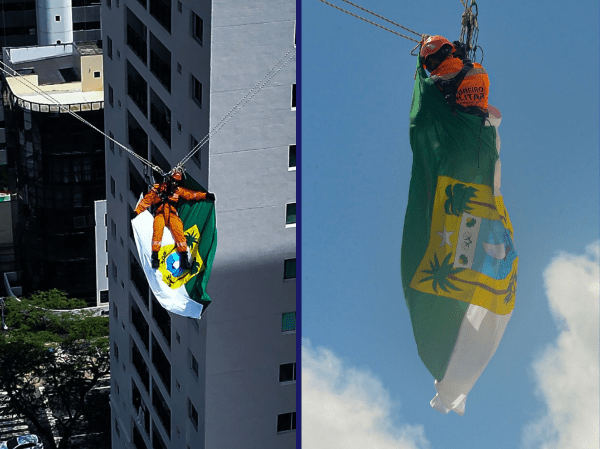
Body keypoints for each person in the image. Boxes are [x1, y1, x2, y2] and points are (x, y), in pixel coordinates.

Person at [132, 169, 215, 270]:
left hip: (172, 214)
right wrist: (137, 212)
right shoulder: (158, 188)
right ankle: (155, 258)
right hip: (160, 212)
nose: (174, 183)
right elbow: (147, 200)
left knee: (179, 233)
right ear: (169, 179)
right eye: (173, 180)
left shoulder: (178, 190)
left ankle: (184, 259)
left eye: (177, 181)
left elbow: (192, 195)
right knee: (157, 233)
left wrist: (205, 195)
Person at [419, 35, 489, 117]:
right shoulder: (479, 69)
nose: (431, 66)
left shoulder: (431, 84)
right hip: (478, 125)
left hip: (453, 126)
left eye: (431, 61)